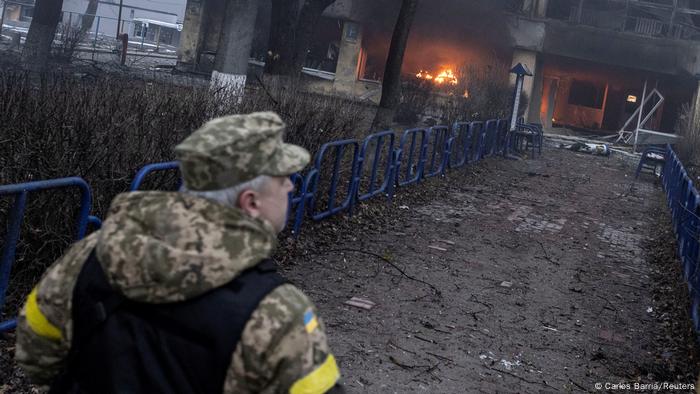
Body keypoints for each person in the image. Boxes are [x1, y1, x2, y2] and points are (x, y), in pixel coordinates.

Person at [15, 112, 343, 393]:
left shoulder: (93, 253)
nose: (290, 186)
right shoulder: (278, 314)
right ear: (250, 203)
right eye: (283, 178)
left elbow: (35, 352)